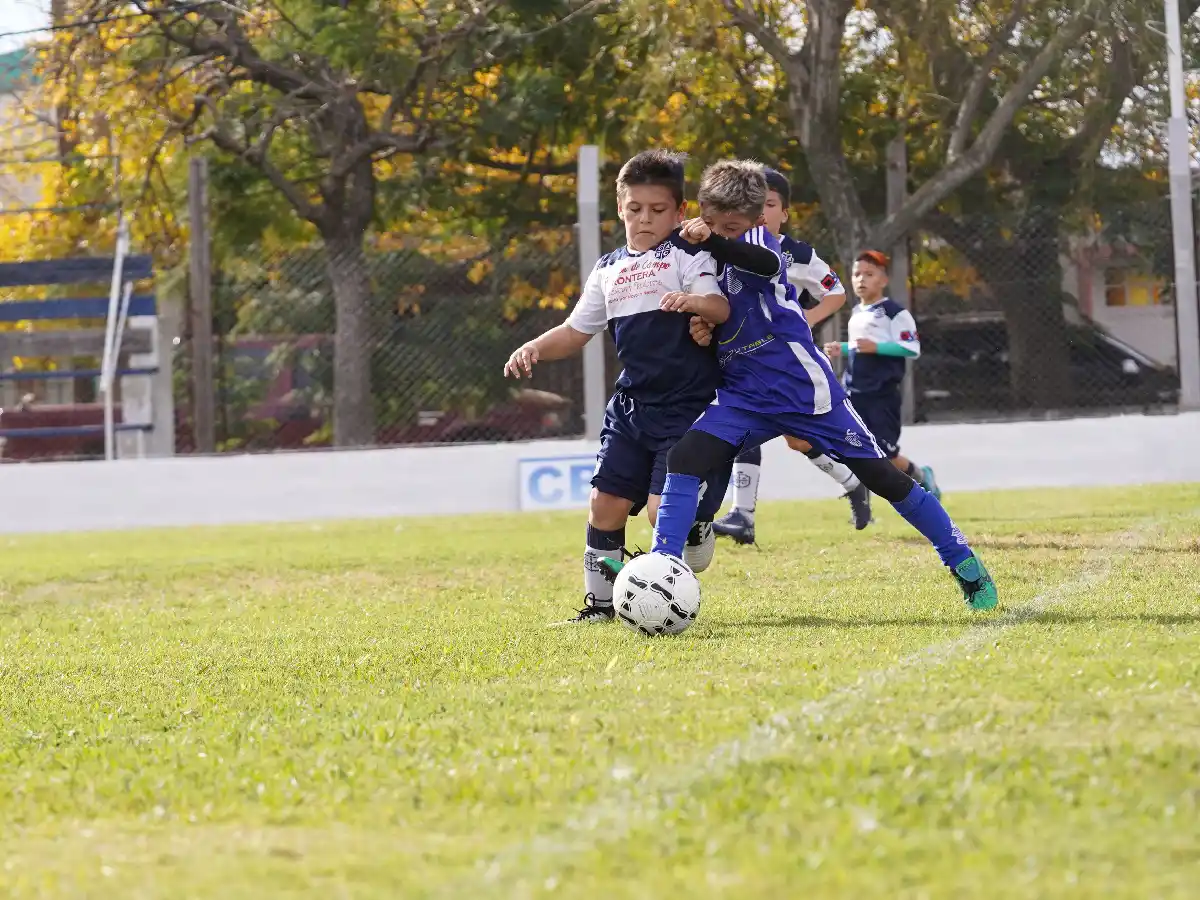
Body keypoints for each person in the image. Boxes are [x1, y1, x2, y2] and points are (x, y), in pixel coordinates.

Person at [599, 160, 998, 611]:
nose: (720, 233)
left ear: (754, 220)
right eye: (712, 222)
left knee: (882, 476)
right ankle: (663, 567)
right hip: (745, 394)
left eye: (732, 225)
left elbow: (763, 262)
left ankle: (961, 559)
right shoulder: (700, 252)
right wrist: (703, 330)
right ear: (701, 210)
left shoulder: (756, 244)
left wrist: (714, 238)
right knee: (685, 457)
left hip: (802, 390)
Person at [502, 149, 733, 625]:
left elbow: (716, 304)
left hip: (687, 406)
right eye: (635, 209)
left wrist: (693, 304)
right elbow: (575, 331)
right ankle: (601, 605)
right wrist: (535, 347)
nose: (644, 219)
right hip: (631, 407)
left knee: (656, 512)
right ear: (620, 209)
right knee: (604, 504)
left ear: (679, 212)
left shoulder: (690, 256)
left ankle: (697, 525)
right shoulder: (608, 268)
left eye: (657, 210)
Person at [705, 167, 871, 542]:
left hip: (790, 361)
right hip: (744, 359)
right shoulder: (729, 247)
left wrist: (804, 319)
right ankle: (742, 515)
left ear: (784, 211)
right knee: (740, 427)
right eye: (754, 203)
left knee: (799, 440)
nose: (760, 211)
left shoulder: (797, 254)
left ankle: (853, 481)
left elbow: (837, 291)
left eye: (770, 204)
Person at [824, 250, 940, 497]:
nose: (861, 280)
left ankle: (921, 475)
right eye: (857, 274)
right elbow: (860, 346)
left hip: (881, 394)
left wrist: (877, 348)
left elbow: (912, 348)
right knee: (852, 446)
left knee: (885, 455)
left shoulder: (894, 313)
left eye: (869, 274)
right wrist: (841, 348)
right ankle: (860, 498)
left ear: (884, 280)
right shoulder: (856, 313)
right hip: (853, 392)